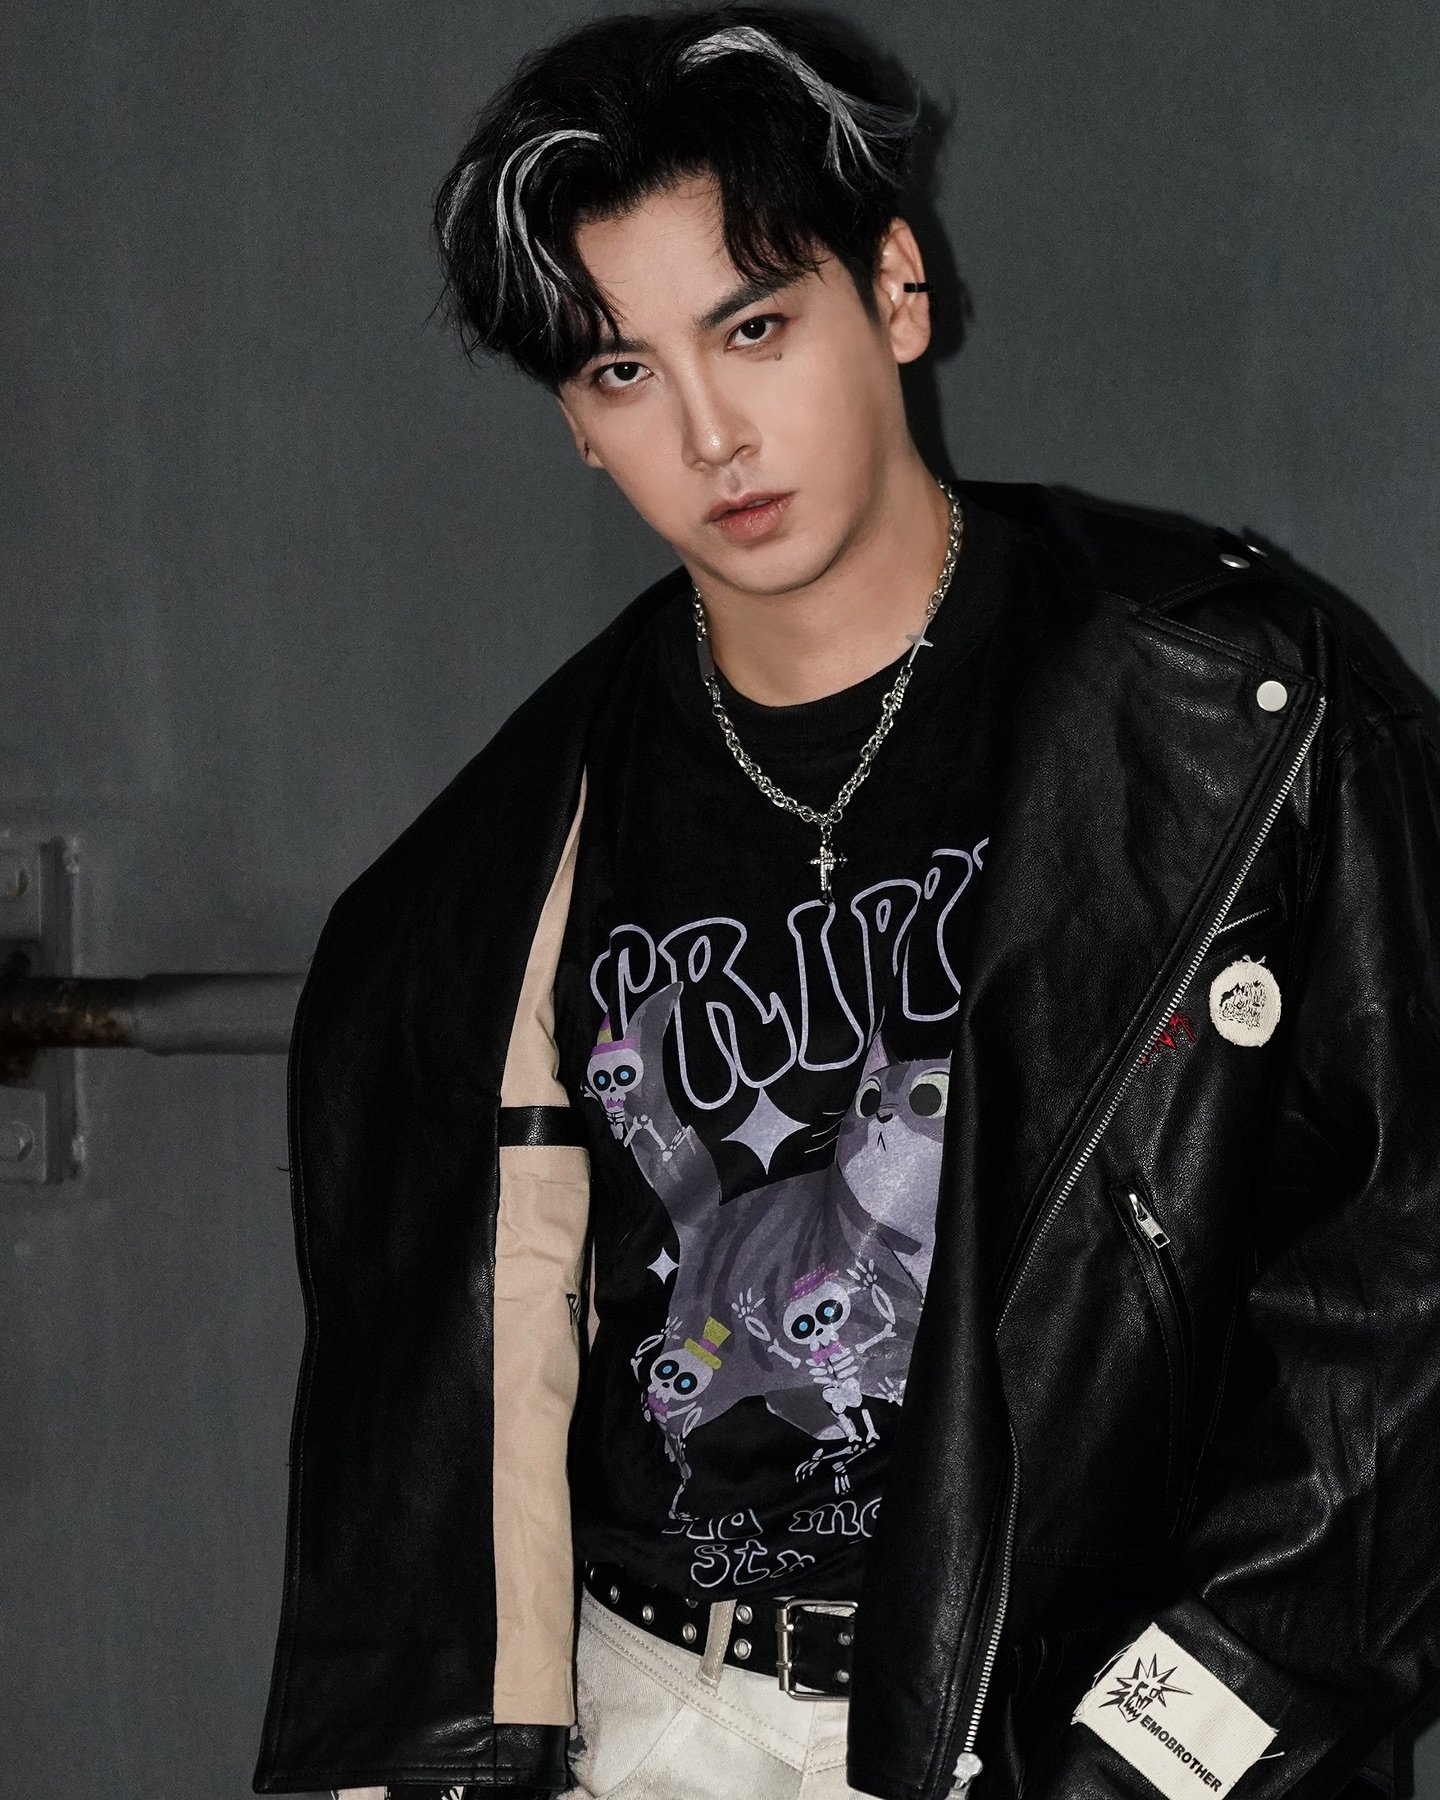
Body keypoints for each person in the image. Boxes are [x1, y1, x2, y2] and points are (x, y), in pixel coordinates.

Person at [251, 7, 1440, 1800]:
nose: (713, 432)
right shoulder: (480, 877)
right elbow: (419, 1450)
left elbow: (1407, 1287)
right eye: (623, 371)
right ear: (578, 426)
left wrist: (1171, 1740)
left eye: (753, 327)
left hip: (1062, 1727)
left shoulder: (1232, 715)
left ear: (895, 291)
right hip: (651, 1714)